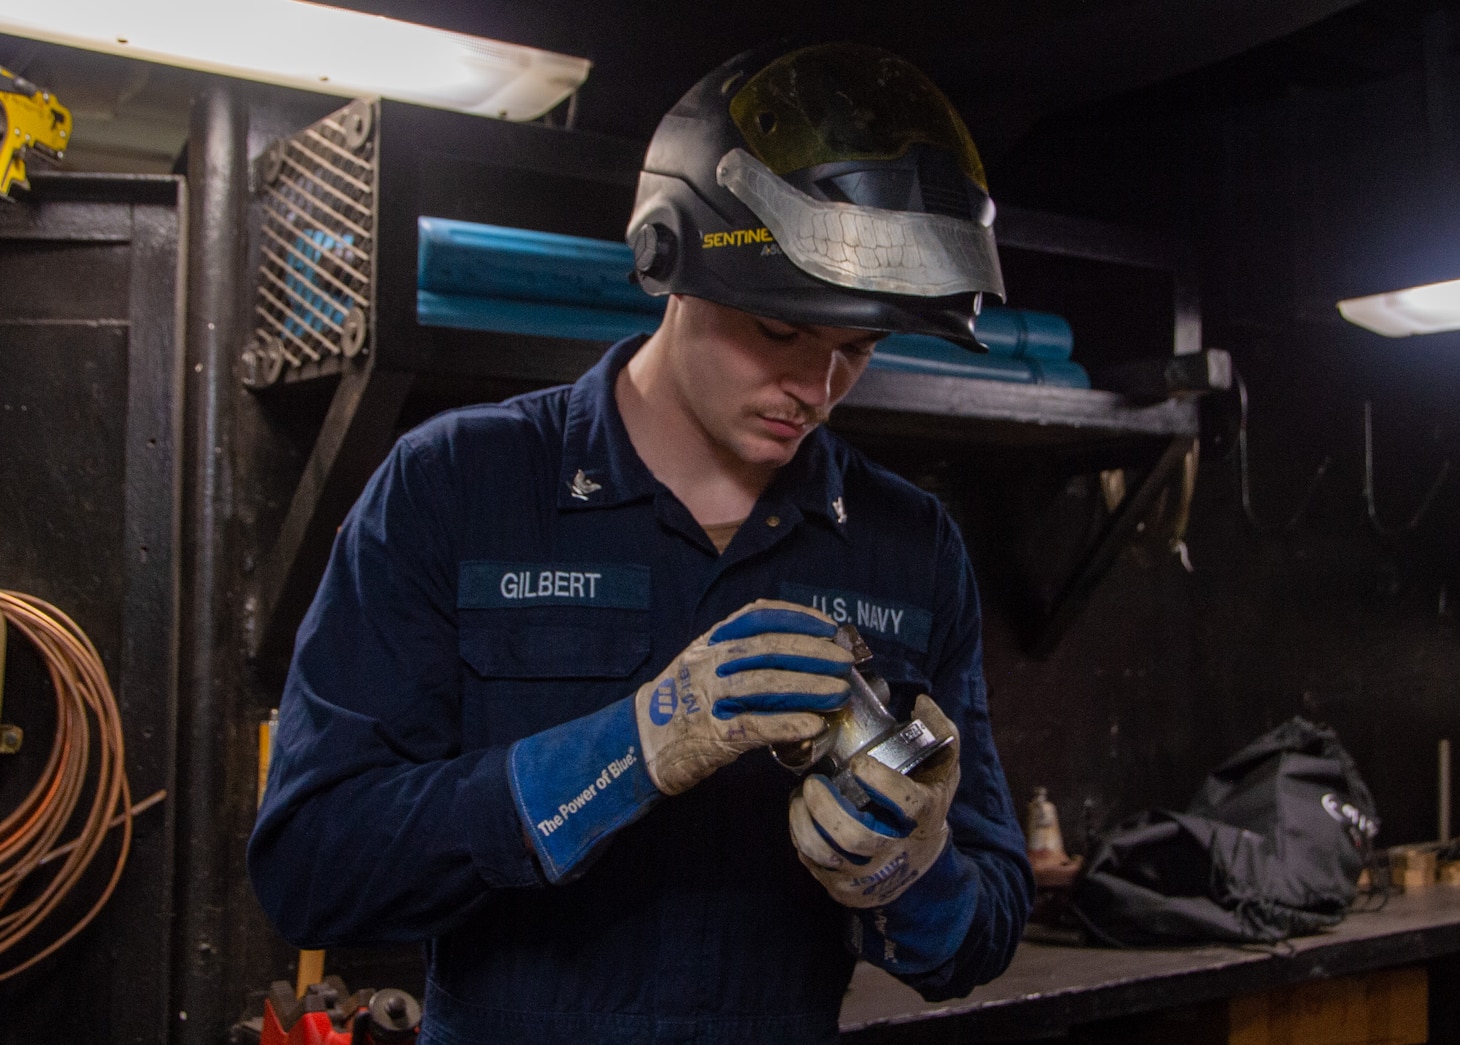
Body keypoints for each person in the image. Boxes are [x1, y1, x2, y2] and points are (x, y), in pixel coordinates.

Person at [248, 39, 1033, 1045]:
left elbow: (983, 925)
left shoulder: (906, 546)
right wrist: (630, 746)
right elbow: (314, 872)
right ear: (669, 265)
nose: (817, 387)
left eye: (857, 349)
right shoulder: (456, 486)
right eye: (780, 333)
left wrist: (909, 876)